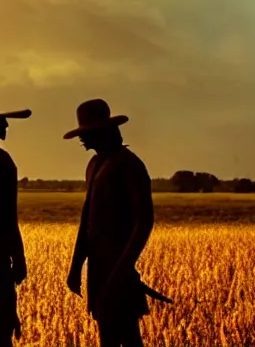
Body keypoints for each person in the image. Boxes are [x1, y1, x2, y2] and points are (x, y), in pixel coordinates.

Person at [64, 99, 169, 347]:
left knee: (126, 332)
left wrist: (122, 269)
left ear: (103, 132)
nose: (83, 140)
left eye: (86, 134)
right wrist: (76, 265)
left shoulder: (129, 164)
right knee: (108, 331)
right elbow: (86, 218)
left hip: (118, 266)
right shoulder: (95, 165)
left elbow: (144, 221)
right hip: (99, 267)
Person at [0, 108, 31, 346]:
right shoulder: (3, 162)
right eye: (2, 124)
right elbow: (8, 216)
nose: (6, 128)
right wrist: (19, 259)